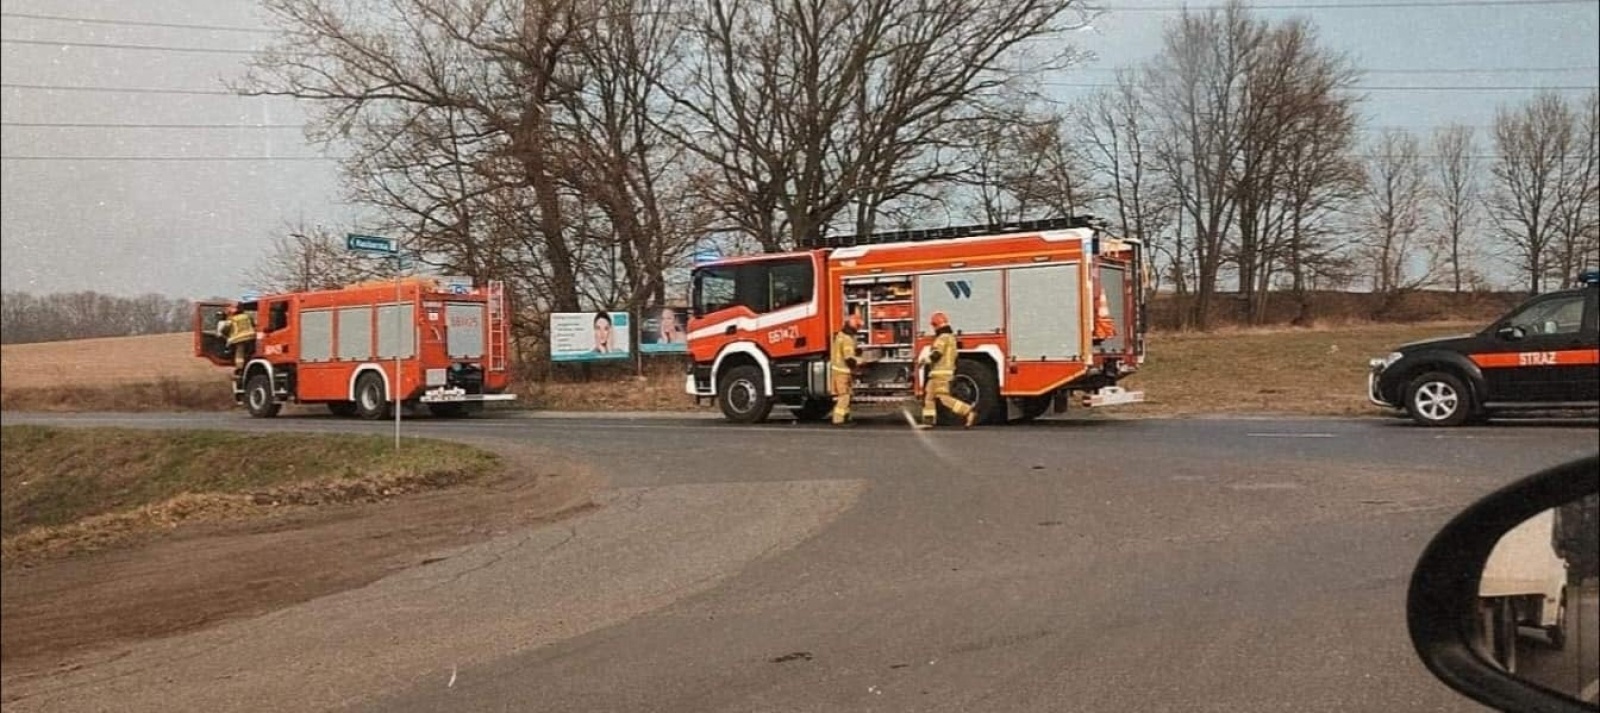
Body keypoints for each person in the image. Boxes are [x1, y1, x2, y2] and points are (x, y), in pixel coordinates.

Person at [919, 311, 977, 429]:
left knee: (943, 398)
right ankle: (928, 422)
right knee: (929, 396)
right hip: (940, 373)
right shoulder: (951, 338)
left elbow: (937, 354)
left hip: (940, 373)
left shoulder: (942, 338)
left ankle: (967, 411)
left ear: (936, 325)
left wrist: (925, 361)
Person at [830, 313, 865, 426]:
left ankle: (846, 417)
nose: (858, 329)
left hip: (839, 371)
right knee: (844, 396)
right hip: (842, 372)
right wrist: (861, 362)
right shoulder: (847, 339)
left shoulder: (841, 335)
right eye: (858, 327)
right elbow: (849, 359)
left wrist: (857, 351)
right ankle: (838, 419)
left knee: (848, 395)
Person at [224, 303, 257, 372]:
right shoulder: (247, 316)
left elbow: (225, 329)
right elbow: (253, 325)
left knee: (239, 354)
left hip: (239, 338)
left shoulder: (231, 319)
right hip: (251, 337)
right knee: (251, 352)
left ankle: (240, 368)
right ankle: (250, 364)